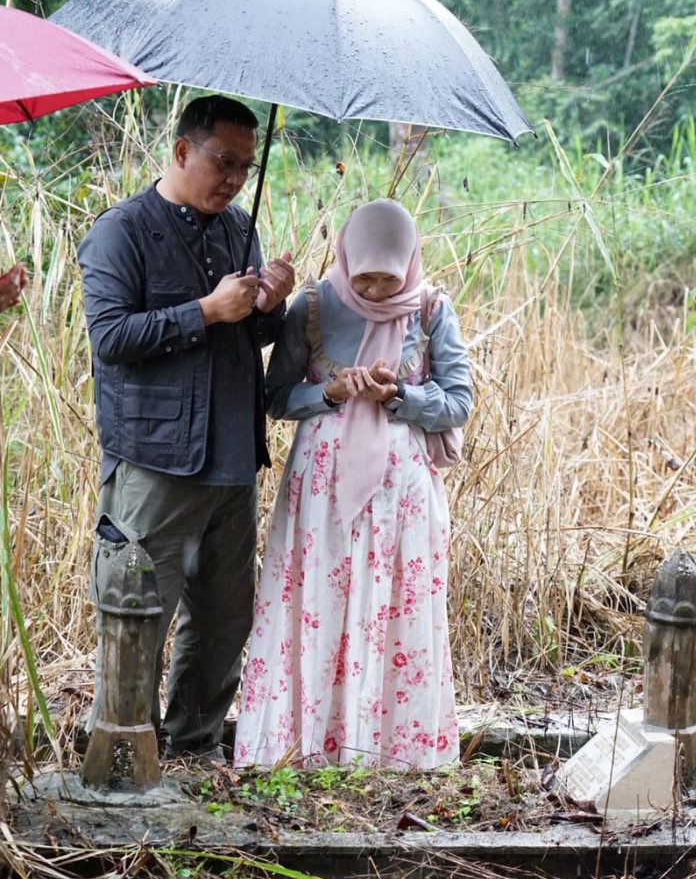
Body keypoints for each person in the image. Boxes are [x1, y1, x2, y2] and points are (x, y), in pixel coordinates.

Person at [77, 94, 295, 762]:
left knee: (225, 617)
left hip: (232, 455)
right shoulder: (122, 231)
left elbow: (250, 335)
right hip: (154, 459)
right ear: (181, 151)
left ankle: (194, 746)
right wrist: (205, 309)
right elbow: (112, 336)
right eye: (224, 161)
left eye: (246, 166)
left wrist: (268, 307)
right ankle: (125, 751)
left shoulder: (238, 228)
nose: (235, 178)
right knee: (138, 610)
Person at [233, 199, 472, 770]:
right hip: (322, 489)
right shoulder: (313, 306)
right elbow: (274, 397)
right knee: (319, 597)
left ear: (410, 263)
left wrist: (398, 396)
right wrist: (333, 394)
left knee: (394, 604)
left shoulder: (432, 308)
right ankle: (306, 744)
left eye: (389, 278)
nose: (377, 289)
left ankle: (391, 749)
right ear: (346, 258)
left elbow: (460, 401)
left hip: (403, 494)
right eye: (365, 276)